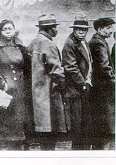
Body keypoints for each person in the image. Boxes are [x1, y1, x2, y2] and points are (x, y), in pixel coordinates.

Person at [0, 19, 31, 150]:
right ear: (0, 32)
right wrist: (2, 82)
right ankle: (8, 148)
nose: (8, 31)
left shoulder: (20, 46)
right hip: (6, 88)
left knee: (21, 117)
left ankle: (20, 145)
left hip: (21, 88)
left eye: (10, 28)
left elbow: (27, 65)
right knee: (8, 119)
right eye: (4, 29)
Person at [27, 14, 67, 150]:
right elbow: (56, 70)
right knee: (51, 129)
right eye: (54, 27)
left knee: (42, 129)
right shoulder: (48, 44)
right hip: (49, 93)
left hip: (36, 92)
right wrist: (62, 85)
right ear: (49, 29)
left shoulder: (33, 42)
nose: (56, 30)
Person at [61, 16, 93, 150]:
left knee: (85, 122)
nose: (81, 32)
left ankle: (83, 149)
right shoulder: (70, 43)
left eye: (84, 30)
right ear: (74, 30)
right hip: (76, 89)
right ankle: (77, 152)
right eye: (78, 29)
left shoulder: (83, 42)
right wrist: (83, 83)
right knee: (78, 123)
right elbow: (71, 67)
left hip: (84, 86)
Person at [89, 17, 115, 150]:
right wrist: (114, 81)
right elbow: (104, 66)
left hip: (99, 87)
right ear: (100, 29)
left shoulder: (98, 41)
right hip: (103, 87)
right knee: (104, 121)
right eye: (108, 28)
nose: (111, 31)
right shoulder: (98, 43)